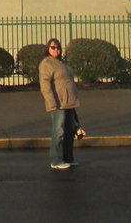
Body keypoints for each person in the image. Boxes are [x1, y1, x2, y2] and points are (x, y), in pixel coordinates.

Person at [38, 37, 82, 170]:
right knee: (59, 131)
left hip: (68, 102)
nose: (56, 49)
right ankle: (55, 160)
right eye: (53, 47)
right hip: (58, 103)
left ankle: (68, 157)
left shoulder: (61, 63)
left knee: (69, 131)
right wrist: (52, 103)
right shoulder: (47, 63)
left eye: (58, 47)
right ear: (48, 49)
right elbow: (45, 85)